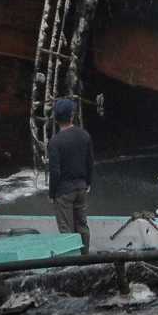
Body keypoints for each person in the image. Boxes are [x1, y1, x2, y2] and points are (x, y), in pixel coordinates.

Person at [45, 98, 93, 252]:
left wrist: (52, 193)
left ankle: (72, 260)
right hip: (81, 187)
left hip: (64, 191)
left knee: (66, 229)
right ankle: (85, 257)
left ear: (55, 118)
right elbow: (90, 162)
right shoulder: (85, 135)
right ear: (72, 116)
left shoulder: (54, 142)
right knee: (82, 224)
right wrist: (88, 183)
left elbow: (55, 171)